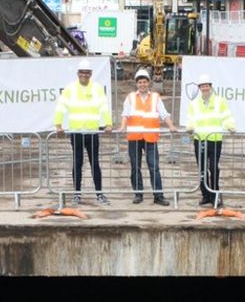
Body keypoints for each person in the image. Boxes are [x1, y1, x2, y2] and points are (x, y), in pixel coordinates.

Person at [54, 59, 113, 206]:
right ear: (78, 73)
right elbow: (61, 107)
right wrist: (58, 124)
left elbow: (103, 107)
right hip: (76, 132)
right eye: (82, 72)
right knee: (77, 163)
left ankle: (99, 194)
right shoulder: (70, 89)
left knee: (95, 164)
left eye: (87, 73)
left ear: (91, 74)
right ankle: (77, 194)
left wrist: (108, 123)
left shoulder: (97, 89)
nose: (84, 75)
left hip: (92, 132)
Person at [121, 68, 178, 206]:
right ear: (136, 84)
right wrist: (122, 126)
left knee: (154, 167)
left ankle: (158, 195)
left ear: (149, 83)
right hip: (134, 137)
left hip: (150, 137)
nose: (142, 84)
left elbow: (164, 114)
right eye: (140, 82)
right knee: (135, 167)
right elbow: (125, 114)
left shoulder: (155, 97)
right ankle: (138, 194)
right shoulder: (130, 97)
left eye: (144, 82)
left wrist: (171, 126)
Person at [187, 74, 235, 207]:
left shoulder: (220, 101)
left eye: (207, 85)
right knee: (202, 169)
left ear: (211, 87)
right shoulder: (194, 104)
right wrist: (189, 127)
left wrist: (230, 125)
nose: (205, 88)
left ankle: (215, 195)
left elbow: (226, 116)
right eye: (202, 86)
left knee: (214, 168)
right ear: (199, 88)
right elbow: (191, 118)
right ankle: (205, 196)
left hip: (214, 140)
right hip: (200, 140)